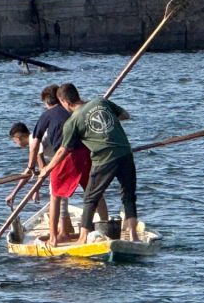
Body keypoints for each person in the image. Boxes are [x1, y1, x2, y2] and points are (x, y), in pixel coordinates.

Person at [43, 83, 138, 244]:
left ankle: (83, 238)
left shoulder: (72, 122)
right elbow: (125, 115)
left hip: (104, 159)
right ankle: (134, 237)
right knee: (128, 197)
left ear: (64, 101)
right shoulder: (101, 102)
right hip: (125, 153)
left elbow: (62, 151)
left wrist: (47, 168)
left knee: (89, 198)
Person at [13, 84, 107, 246]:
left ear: (47, 102)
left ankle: (54, 238)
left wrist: (30, 167)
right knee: (94, 192)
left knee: (55, 195)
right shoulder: (76, 110)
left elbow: (34, 143)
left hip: (66, 156)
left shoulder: (47, 115)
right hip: (87, 153)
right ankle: (105, 229)